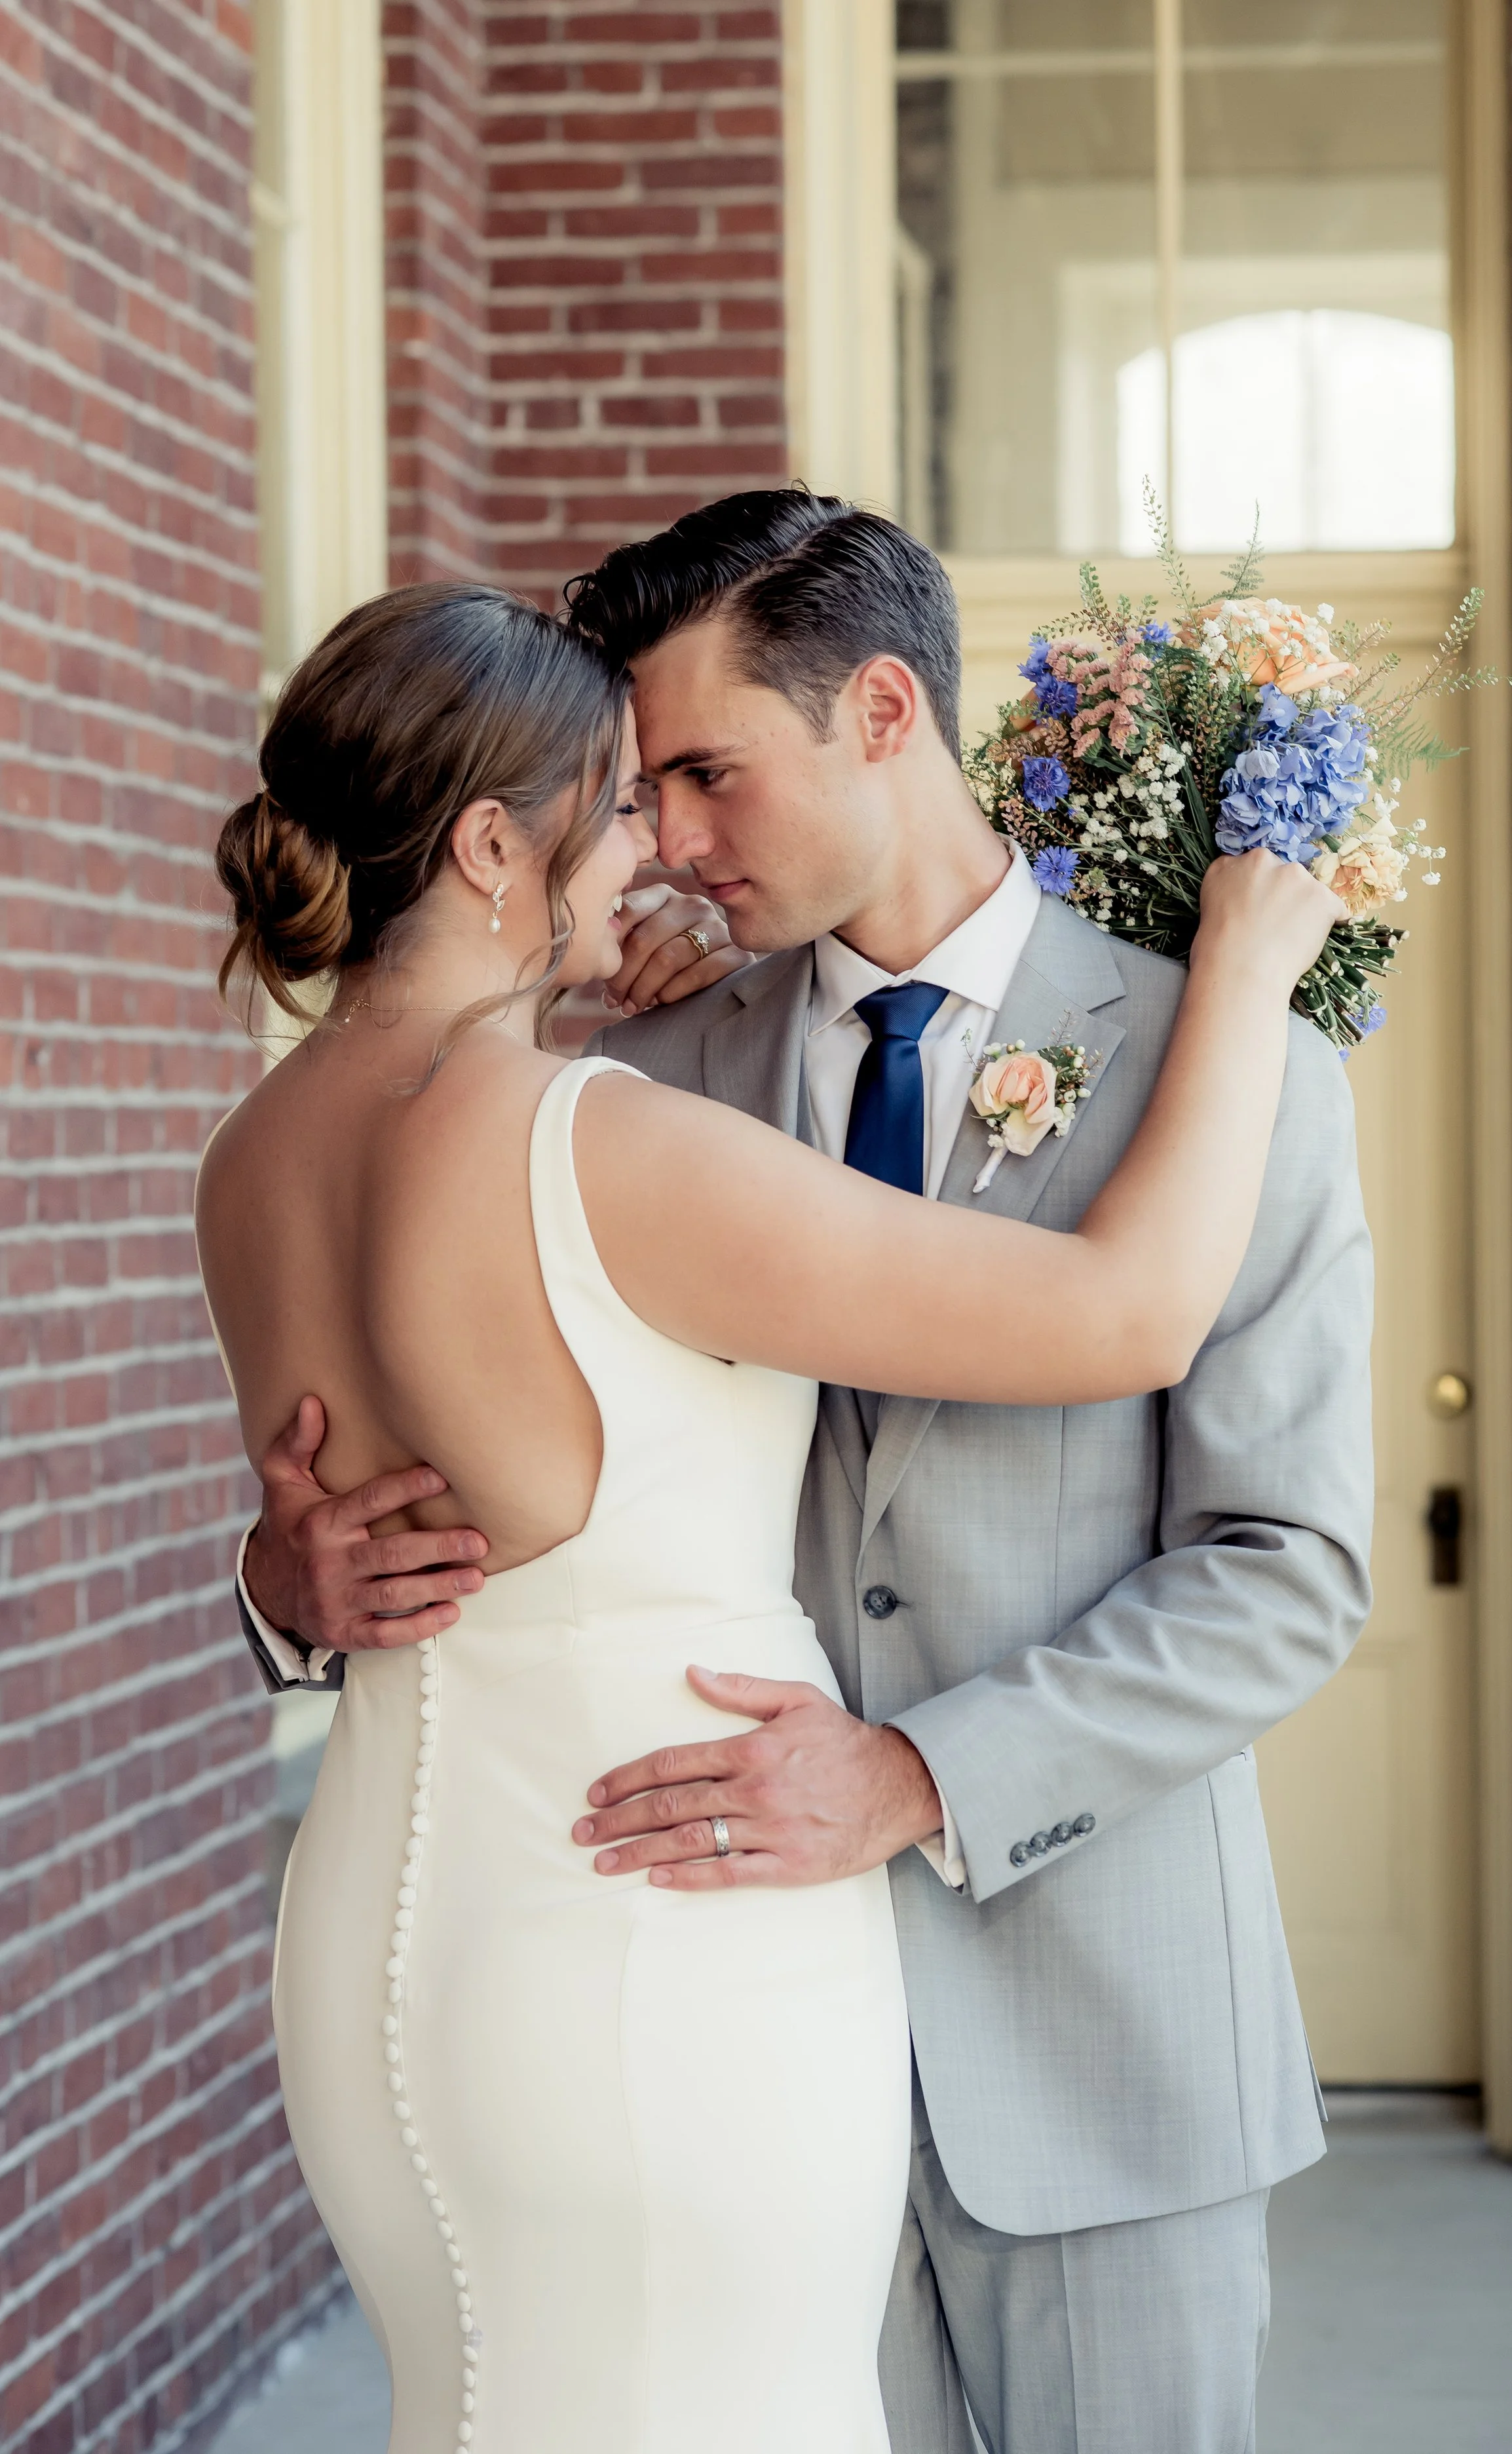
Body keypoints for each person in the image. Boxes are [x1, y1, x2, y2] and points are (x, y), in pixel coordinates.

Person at [198, 571, 1342, 2454]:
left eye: (688, 784)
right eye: (624, 798)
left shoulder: (253, 1156)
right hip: (660, 1937)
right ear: (496, 841)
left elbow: (363, 1504)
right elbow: (1126, 1315)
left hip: (389, 1939)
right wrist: (1240, 979)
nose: (656, 847)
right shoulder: (615, 1124)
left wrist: (279, 1583)